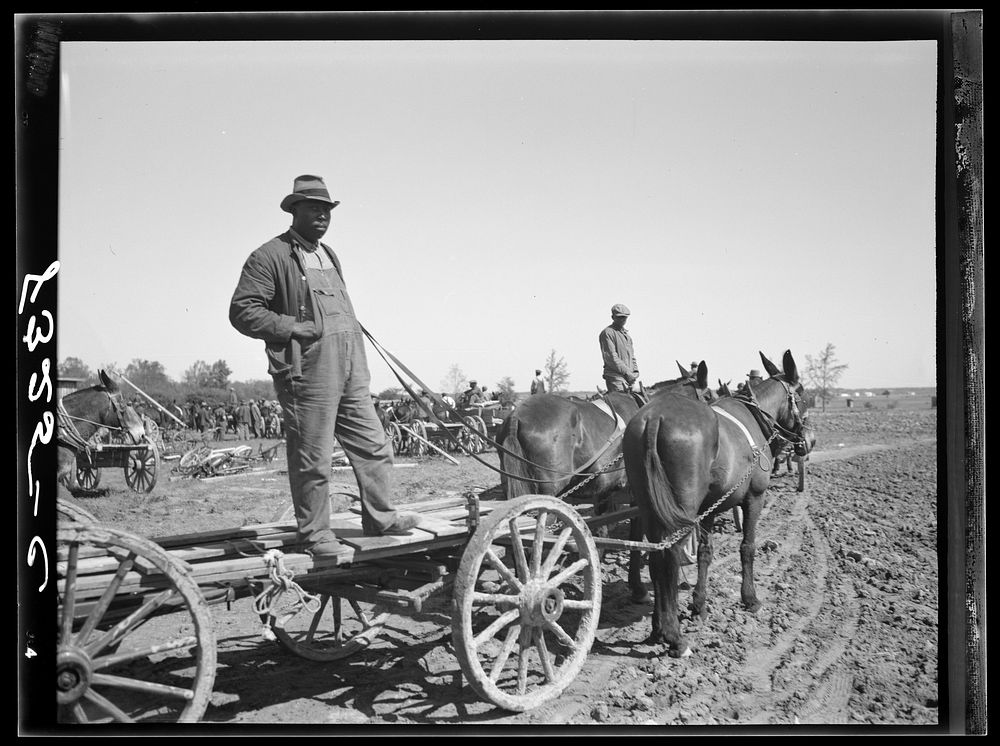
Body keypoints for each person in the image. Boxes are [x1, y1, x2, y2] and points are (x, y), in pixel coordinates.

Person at [229, 174, 421, 557]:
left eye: (327, 209)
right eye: (313, 208)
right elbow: (242, 311)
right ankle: (316, 535)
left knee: (375, 445)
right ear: (294, 210)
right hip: (309, 370)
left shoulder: (329, 254)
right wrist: (290, 327)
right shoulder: (269, 256)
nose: (322, 215)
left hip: (352, 365)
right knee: (313, 458)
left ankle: (380, 518)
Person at [599, 303, 639, 393]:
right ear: (613, 317)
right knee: (624, 405)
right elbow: (612, 358)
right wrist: (628, 373)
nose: (622, 320)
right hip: (615, 378)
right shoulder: (607, 333)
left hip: (629, 378)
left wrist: (635, 371)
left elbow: (632, 357)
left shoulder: (627, 336)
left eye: (624, 317)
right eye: (619, 317)